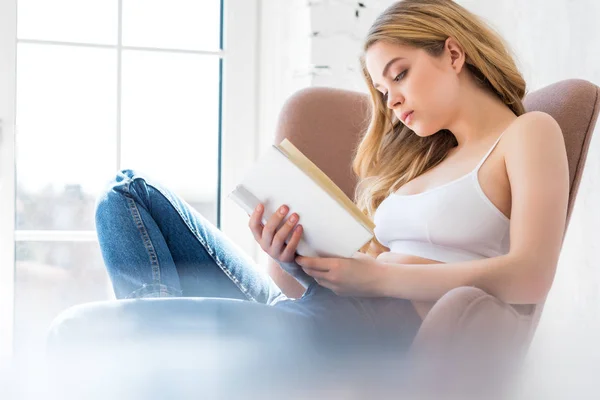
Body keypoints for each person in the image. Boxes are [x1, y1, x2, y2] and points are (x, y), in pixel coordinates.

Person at [94, 0, 569, 394]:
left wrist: (380, 278)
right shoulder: (425, 163)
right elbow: (367, 266)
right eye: (383, 91)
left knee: (134, 339)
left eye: (399, 75)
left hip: (367, 330)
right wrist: (296, 256)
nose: (393, 102)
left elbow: (530, 277)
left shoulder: (527, 134)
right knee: (129, 195)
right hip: (316, 308)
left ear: (452, 53)